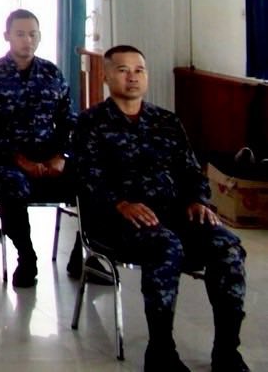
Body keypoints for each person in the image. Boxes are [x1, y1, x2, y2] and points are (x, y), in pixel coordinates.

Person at [71, 45, 249, 372]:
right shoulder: (90, 123)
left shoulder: (166, 121)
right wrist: (120, 203)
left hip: (173, 215)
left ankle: (227, 352)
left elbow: (192, 171)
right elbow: (85, 179)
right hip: (115, 221)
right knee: (166, 246)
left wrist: (198, 200)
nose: (133, 77)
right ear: (107, 76)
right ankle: (161, 351)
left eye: (139, 70)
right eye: (123, 70)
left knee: (227, 248)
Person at [0, 8, 78, 288]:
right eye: (20, 34)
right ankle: (26, 255)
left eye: (33, 34)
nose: (27, 40)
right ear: (7, 36)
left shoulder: (52, 73)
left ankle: (83, 253)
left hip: (49, 157)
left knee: (92, 177)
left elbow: (69, 121)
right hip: (4, 160)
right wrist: (19, 159)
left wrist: (61, 156)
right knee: (12, 185)